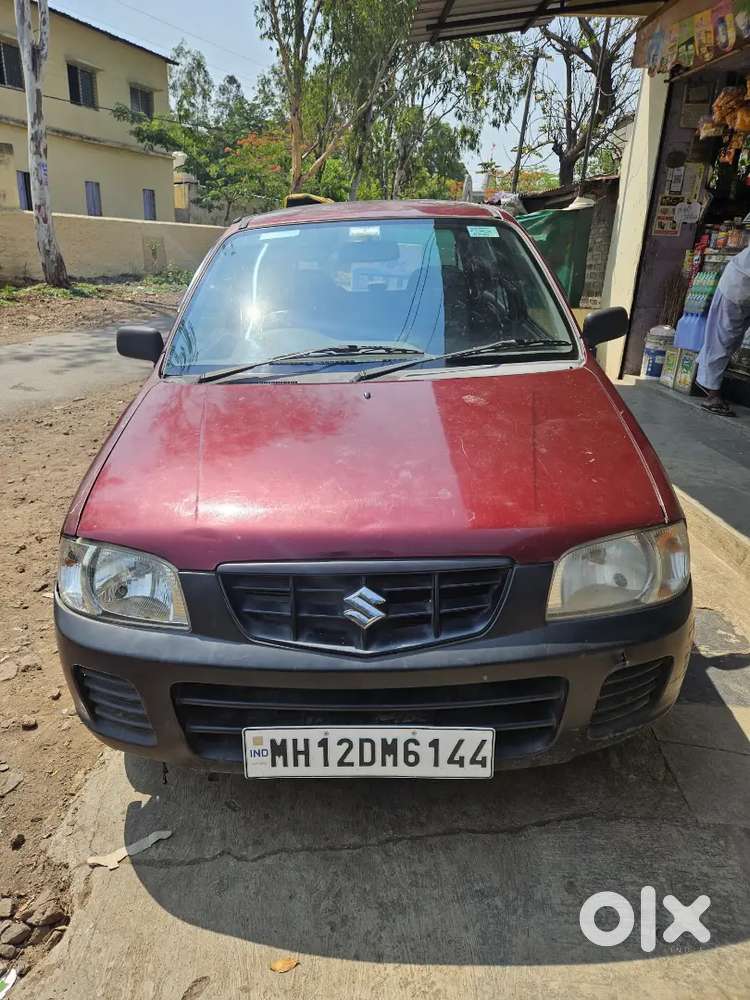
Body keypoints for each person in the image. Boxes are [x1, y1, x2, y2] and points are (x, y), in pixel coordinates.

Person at [696, 243, 750, 416]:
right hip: (735, 289)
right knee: (722, 340)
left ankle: (707, 381)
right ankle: (712, 394)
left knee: (730, 340)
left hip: (742, 290)